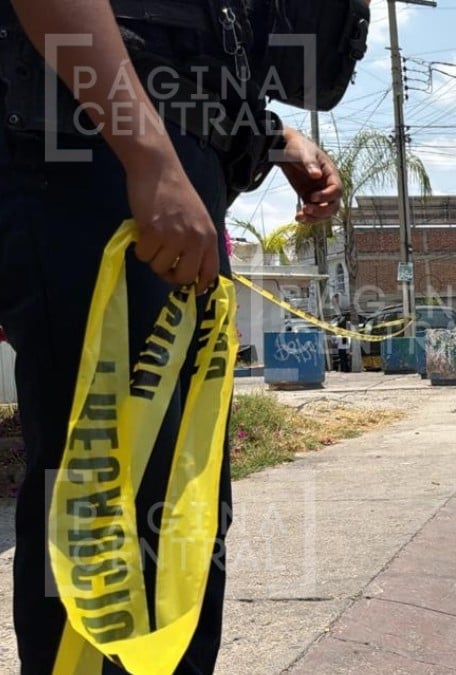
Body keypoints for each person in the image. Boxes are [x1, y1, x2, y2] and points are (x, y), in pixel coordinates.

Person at [0, 1, 342, 672]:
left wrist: (269, 137)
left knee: (184, 512)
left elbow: (185, 51)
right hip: (90, 167)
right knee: (105, 508)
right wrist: (149, 155)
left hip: (156, 177)